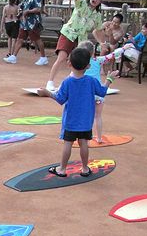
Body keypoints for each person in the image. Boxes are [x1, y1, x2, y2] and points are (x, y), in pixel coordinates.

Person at [36, 47, 118, 177]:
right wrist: (109, 79)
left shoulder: (67, 82)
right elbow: (102, 92)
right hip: (86, 121)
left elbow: (60, 99)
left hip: (70, 121)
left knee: (68, 144)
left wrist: (47, 93)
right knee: (84, 143)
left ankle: (62, 169)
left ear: (69, 63)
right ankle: (85, 168)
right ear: (88, 66)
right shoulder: (91, 81)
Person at [46, 0, 103, 91]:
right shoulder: (81, 3)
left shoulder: (97, 16)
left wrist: (102, 42)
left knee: (79, 63)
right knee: (62, 58)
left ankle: (67, 85)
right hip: (69, 33)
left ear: (99, 2)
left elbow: (98, 30)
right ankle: (50, 82)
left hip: (81, 39)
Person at [77, 40, 129, 143]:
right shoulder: (98, 60)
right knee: (98, 116)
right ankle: (99, 138)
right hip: (98, 92)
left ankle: (86, 138)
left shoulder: (79, 64)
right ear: (93, 52)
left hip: (87, 94)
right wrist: (124, 48)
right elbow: (112, 55)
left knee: (86, 116)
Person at [4, 0, 47, 66]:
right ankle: (13, 57)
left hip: (33, 23)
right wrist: (20, 13)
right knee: (20, 38)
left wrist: (28, 11)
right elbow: (22, 7)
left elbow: (38, 9)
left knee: (37, 39)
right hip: (24, 23)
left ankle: (43, 57)